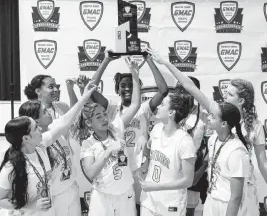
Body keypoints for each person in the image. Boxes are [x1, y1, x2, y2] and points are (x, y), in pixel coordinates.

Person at [147, 48, 267, 216]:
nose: (224, 95)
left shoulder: (255, 126)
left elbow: (263, 164)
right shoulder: (217, 112)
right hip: (215, 192)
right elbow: (189, 86)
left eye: (229, 94)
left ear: (240, 100)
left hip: (242, 193)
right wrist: (165, 62)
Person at [0, 81, 97, 215]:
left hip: (50, 207)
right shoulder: (11, 164)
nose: (40, 129)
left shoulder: (40, 144)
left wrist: (85, 96)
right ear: (26, 138)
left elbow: (67, 120)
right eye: (35, 127)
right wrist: (28, 206)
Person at [88, 52, 168, 214]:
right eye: (123, 85)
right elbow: (91, 89)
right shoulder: (109, 108)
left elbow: (163, 90)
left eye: (131, 84)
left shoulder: (144, 108)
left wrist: (148, 60)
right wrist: (107, 60)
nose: (127, 88)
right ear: (117, 89)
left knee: (140, 209)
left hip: (139, 167)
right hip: (116, 168)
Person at [74, 61, 141, 216]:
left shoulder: (116, 127)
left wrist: (135, 75)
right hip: (102, 196)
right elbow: (90, 173)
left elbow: (135, 104)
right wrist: (108, 151)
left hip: (126, 194)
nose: (105, 119)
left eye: (104, 114)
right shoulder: (88, 143)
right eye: (99, 116)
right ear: (90, 124)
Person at [140, 91, 196, 216]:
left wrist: (156, 187)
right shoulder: (157, 128)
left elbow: (188, 181)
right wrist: (144, 162)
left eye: (163, 104)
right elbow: (147, 149)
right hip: (149, 201)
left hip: (171, 205)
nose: (158, 107)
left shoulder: (185, 141)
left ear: (171, 112)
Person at [175, 78, 211, 216]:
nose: (182, 94)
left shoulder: (204, 115)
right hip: (171, 173)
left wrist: (199, 172)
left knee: (188, 212)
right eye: (179, 90)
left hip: (193, 172)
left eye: (186, 89)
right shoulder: (169, 113)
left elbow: (210, 148)